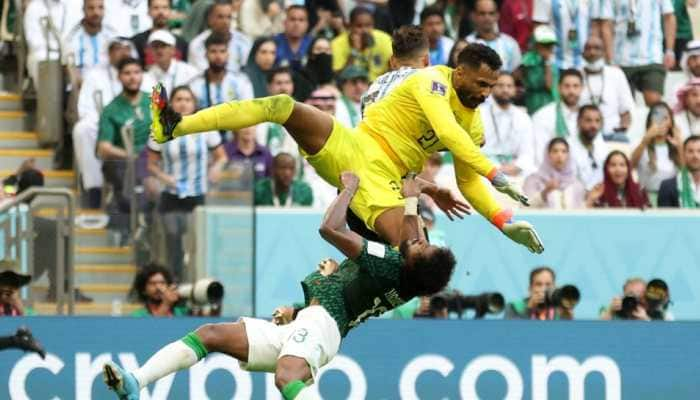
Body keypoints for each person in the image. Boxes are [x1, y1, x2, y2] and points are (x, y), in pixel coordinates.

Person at [151, 43, 544, 252]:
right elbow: (447, 130)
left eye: (492, 87)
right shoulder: (432, 82)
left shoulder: (474, 124)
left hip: (385, 180)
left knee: (414, 250)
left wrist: (503, 222)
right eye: (481, 84)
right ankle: (175, 125)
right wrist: (496, 173)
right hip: (354, 145)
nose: (487, 93)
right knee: (282, 106)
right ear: (460, 73)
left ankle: (369, 297)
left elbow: (469, 182)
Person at [103, 172, 457, 399]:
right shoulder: (409, 274)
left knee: (287, 378)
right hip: (314, 322)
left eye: (423, 248)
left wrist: (349, 188)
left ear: (412, 262)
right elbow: (412, 233)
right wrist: (416, 193)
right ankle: (135, 382)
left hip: (323, 325)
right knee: (210, 334)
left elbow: (330, 228)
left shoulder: (386, 265)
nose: (421, 240)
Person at [147, 86, 227, 280]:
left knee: (197, 242)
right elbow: (151, 164)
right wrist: (164, 177)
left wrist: (215, 169)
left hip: (197, 193)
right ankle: (174, 280)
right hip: (171, 194)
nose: (183, 103)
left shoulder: (205, 127)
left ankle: (197, 282)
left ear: (194, 103)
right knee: (172, 240)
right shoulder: (161, 127)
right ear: (171, 103)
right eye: (178, 99)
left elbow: (222, 157)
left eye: (187, 99)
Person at [72, 38, 134, 209]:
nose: (122, 53)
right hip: (104, 129)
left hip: (136, 129)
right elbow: (86, 109)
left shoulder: (142, 75)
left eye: (126, 49)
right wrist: (109, 125)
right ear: (109, 53)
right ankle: (94, 189)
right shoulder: (95, 76)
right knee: (83, 129)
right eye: (117, 49)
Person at [97, 58, 152, 237]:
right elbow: (104, 147)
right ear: (119, 77)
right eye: (127, 73)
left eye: (136, 72)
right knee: (126, 174)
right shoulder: (111, 110)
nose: (132, 78)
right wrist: (131, 155)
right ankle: (126, 230)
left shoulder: (154, 103)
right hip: (123, 161)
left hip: (154, 159)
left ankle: (148, 225)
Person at [599, 0, 676, 106]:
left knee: (654, 102)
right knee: (625, 106)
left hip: (652, 56)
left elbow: (669, 17)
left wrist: (669, 51)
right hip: (621, 59)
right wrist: (610, 59)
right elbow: (606, 25)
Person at [481, 71, 536, 177]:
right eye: (500, 85)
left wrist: (516, 166)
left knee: (533, 172)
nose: (505, 90)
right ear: (491, 89)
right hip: (486, 167)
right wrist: (495, 168)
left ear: (515, 90)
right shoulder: (480, 113)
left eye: (509, 86)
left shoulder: (523, 118)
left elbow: (527, 153)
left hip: (514, 167)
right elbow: (474, 149)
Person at [580, 35, 635, 140]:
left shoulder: (616, 74)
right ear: (582, 54)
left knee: (622, 140)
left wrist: (624, 126)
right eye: (588, 49)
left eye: (597, 48)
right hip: (584, 134)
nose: (592, 52)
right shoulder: (576, 75)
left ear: (604, 52)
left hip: (612, 133)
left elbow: (626, 109)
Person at [630, 102, 684, 200]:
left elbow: (686, 171)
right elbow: (631, 165)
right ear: (650, 121)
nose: (661, 122)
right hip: (648, 197)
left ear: (671, 122)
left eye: (665, 118)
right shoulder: (640, 142)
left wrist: (680, 146)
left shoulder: (677, 142)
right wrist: (645, 140)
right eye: (657, 117)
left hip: (672, 196)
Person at [23, 0, 83, 87]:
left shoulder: (70, 5)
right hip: (43, 54)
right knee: (45, 60)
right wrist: (60, 49)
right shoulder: (34, 8)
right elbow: (34, 42)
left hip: (66, 53)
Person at [531, 69, 584, 166]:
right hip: (552, 173)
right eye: (567, 86)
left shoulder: (589, 116)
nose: (571, 91)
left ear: (582, 88)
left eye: (575, 86)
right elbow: (539, 155)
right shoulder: (543, 116)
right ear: (559, 88)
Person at [189, 32, 254, 108]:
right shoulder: (194, 84)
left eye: (222, 51)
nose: (218, 56)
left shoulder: (241, 82)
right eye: (213, 51)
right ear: (206, 55)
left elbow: (247, 108)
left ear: (228, 54)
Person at [331, 6, 393, 81]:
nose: (364, 30)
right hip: (352, 86)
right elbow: (339, 77)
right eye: (359, 26)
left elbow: (394, 67)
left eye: (368, 25)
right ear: (350, 26)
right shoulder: (337, 43)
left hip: (379, 85)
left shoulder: (385, 39)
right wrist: (354, 51)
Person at [188, 0, 252, 72]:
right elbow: (199, 73)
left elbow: (248, 70)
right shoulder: (197, 44)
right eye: (220, 17)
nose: (225, 22)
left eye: (229, 17)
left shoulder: (244, 41)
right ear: (210, 19)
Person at [523, 137, 586, 209]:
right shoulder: (534, 180)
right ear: (548, 154)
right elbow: (524, 207)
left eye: (564, 151)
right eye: (555, 151)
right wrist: (545, 192)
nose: (559, 155)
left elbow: (581, 210)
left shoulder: (576, 184)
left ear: (568, 155)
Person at [532, 0, 593, 69]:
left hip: (583, 63)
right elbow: (539, 30)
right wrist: (547, 62)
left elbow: (593, 27)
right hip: (555, 63)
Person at [63, 0, 117, 76]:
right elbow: (70, 70)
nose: (96, 12)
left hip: (108, 85)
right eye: (91, 8)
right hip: (82, 85)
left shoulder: (112, 35)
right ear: (83, 10)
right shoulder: (72, 38)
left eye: (100, 8)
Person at [466, 0, 521, 72]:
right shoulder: (467, 43)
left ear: (497, 15)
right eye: (482, 13)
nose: (487, 17)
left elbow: (516, 71)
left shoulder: (510, 43)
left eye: (491, 13)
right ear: (473, 16)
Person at [130, 0, 189, 67]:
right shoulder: (136, 42)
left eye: (165, 7)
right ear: (148, 11)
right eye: (156, 8)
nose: (161, 12)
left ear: (170, 11)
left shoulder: (182, 43)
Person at [517, 25, 558, 114]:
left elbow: (549, 85)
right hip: (533, 103)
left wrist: (547, 62)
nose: (548, 49)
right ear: (535, 45)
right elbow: (518, 77)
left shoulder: (552, 64)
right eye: (545, 45)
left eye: (550, 45)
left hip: (550, 102)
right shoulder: (528, 60)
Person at [505, 266, 573, 320]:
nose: (544, 289)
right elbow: (512, 332)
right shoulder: (513, 307)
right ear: (530, 289)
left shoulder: (559, 310)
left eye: (548, 284)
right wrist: (529, 309)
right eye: (538, 284)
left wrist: (567, 320)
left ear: (554, 288)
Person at [568, 104, 610, 189]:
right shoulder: (567, 147)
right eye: (588, 120)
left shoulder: (601, 145)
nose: (593, 126)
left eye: (597, 121)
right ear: (578, 122)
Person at [144, 30, 199, 94]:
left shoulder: (189, 72)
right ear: (151, 51)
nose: (159, 50)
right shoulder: (147, 76)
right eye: (155, 47)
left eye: (163, 46)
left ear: (173, 50)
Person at [658, 135, 700, 208]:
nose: (695, 156)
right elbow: (664, 218)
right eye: (690, 151)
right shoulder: (667, 186)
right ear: (683, 154)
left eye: (699, 151)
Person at [274, 5, 312, 71]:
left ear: (307, 24)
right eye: (292, 19)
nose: (296, 24)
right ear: (284, 22)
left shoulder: (313, 44)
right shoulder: (273, 43)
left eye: (301, 20)